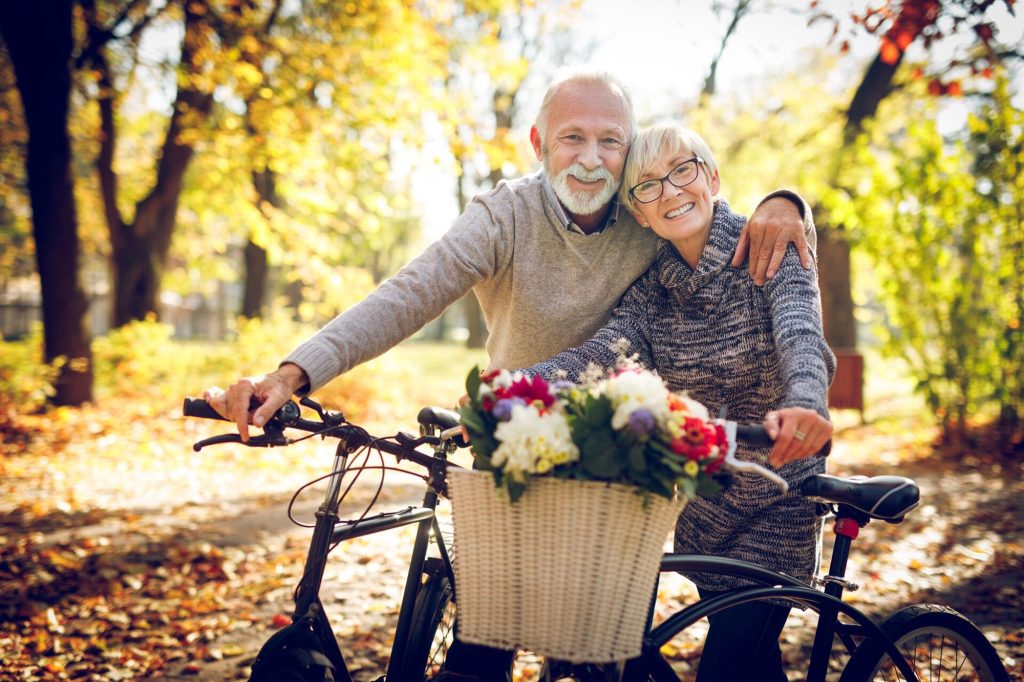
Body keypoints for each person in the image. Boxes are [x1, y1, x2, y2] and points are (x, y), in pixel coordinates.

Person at [204, 70, 818, 679]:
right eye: (572, 137)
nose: (592, 159)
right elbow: (408, 294)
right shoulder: (508, 216)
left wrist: (786, 204)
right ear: (538, 143)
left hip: (622, 463)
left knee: (610, 655)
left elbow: (731, 234)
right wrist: (292, 374)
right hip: (517, 442)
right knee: (481, 647)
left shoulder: (647, 213)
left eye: (611, 142)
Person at [523, 123, 836, 680]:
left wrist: (805, 402)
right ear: (639, 214)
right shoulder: (653, 290)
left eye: (682, 171)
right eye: (647, 186)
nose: (669, 191)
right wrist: (513, 392)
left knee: (727, 669)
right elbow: (600, 358)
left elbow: (801, 334)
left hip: (778, 500)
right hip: (704, 509)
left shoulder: (767, 246)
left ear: (711, 178)